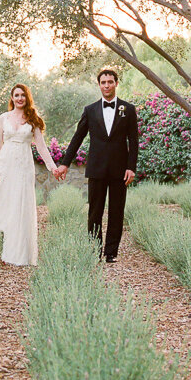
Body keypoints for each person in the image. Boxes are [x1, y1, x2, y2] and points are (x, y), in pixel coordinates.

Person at [54, 67, 138, 263]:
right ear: (99, 85)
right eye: (103, 82)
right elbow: (77, 138)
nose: (107, 85)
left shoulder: (129, 109)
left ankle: (111, 253)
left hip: (120, 170)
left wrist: (131, 167)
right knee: (94, 212)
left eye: (110, 82)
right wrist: (65, 163)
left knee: (117, 212)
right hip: (97, 169)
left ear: (116, 83)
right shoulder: (90, 110)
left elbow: (133, 141)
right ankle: (94, 250)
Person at [0, 83, 57, 266]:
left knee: (21, 204)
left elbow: (41, 147)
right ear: (12, 98)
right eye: (16, 95)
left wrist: (52, 167)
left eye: (23, 95)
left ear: (27, 98)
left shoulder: (33, 119)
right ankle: (6, 244)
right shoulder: (3, 118)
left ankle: (20, 254)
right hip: (6, 164)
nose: (20, 98)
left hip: (24, 166)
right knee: (3, 202)